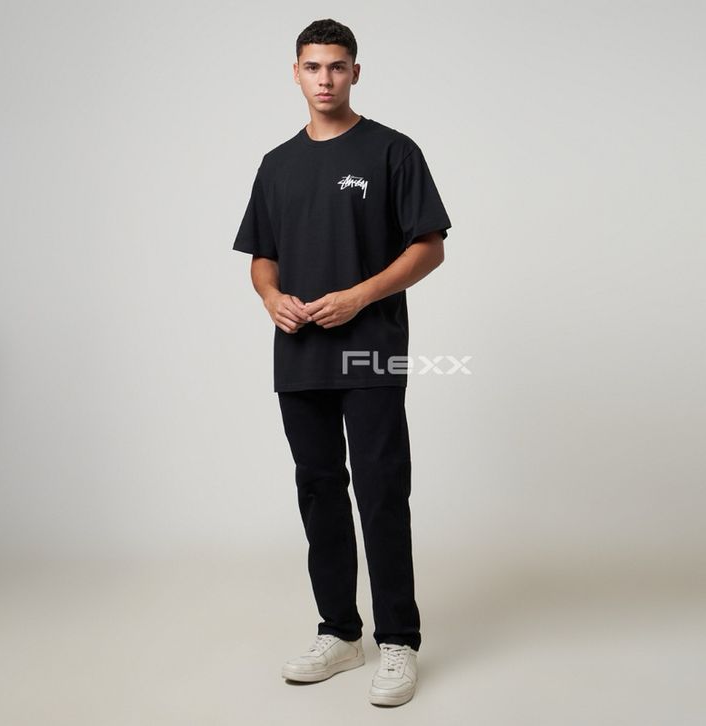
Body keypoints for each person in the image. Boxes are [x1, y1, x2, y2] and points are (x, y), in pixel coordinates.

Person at [232, 18, 452, 707]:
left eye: (336, 66)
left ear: (355, 72)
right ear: (295, 73)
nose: (324, 78)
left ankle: (398, 640)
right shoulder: (276, 164)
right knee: (318, 489)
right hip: (299, 353)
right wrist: (271, 297)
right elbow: (262, 255)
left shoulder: (391, 151)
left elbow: (430, 246)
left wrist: (359, 296)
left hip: (371, 348)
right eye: (312, 66)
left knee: (382, 488)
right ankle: (339, 632)